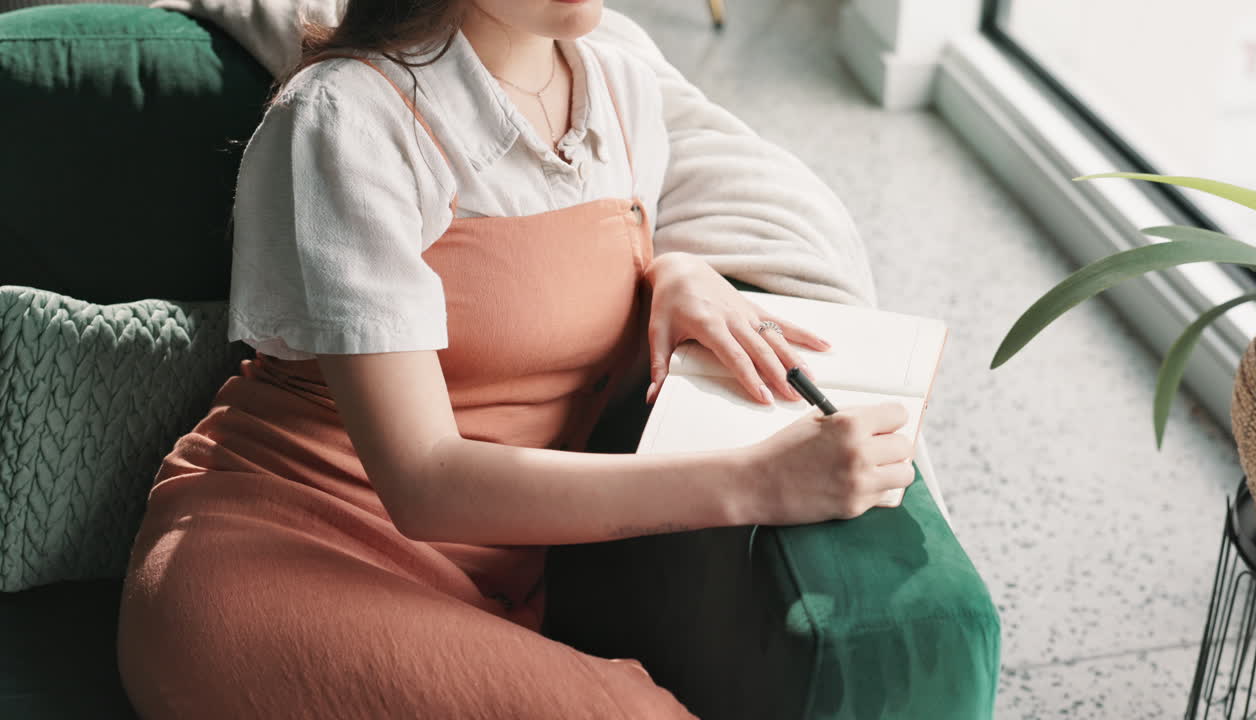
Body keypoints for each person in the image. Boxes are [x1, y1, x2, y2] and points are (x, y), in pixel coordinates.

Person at [116, 0, 918, 717]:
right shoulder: (344, 119)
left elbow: (546, 291)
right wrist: (757, 483)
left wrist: (671, 271)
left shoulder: (621, 88)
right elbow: (423, 482)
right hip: (272, 564)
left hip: (486, 589)